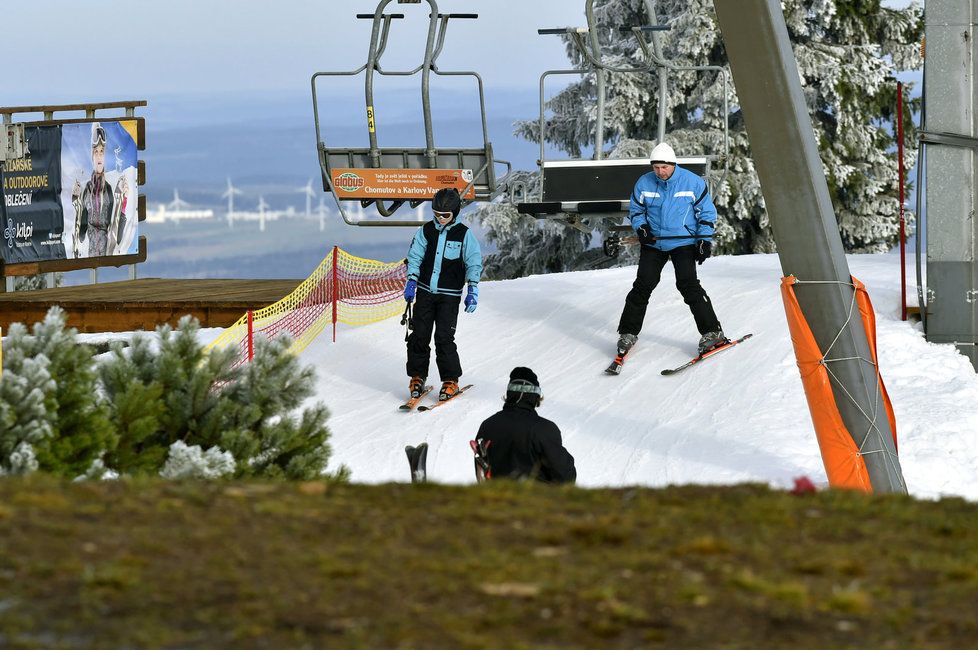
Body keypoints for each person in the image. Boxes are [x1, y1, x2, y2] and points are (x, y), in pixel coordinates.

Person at [616, 141, 725, 357]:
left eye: (664, 167)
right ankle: (627, 333)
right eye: (656, 167)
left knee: (688, 285)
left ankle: (712, 331)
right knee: (643, 285)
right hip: (654, 242)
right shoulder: (644, 183)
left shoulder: (691, 182)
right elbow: (636, 210)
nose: (660, 172)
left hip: (682, 242)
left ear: (673, 164)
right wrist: (642, 228)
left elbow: (707, 213)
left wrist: (703, 241)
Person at [404, 187, 482, 401]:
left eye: (445, 215)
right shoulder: (426, 231)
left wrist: (473, 288)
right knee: (419, 334)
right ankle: (417, 377)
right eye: (436, 214)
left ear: (455, 212)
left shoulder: (464, 234)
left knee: (444, 337)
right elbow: (415, 255)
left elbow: (473, 261)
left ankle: (450, 380)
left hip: (450, 296)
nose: (440, 219)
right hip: (425, 291)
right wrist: (412, 280)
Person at [472, 367, 576, 484]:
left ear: (509, 394)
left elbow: (481, 470)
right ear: (535, 396)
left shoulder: (488, 425)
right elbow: (565, 476)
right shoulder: (543, 429)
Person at [71, 123, 128, 258]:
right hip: (88, 253)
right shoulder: (86, 189)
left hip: (107, 253)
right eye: (95, 152)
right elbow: (80, 235)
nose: (99, 156)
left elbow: (117, 236)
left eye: (102, 151)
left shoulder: (110, 188)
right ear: (92, 156)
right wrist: (76, 201)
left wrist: (123, 201)